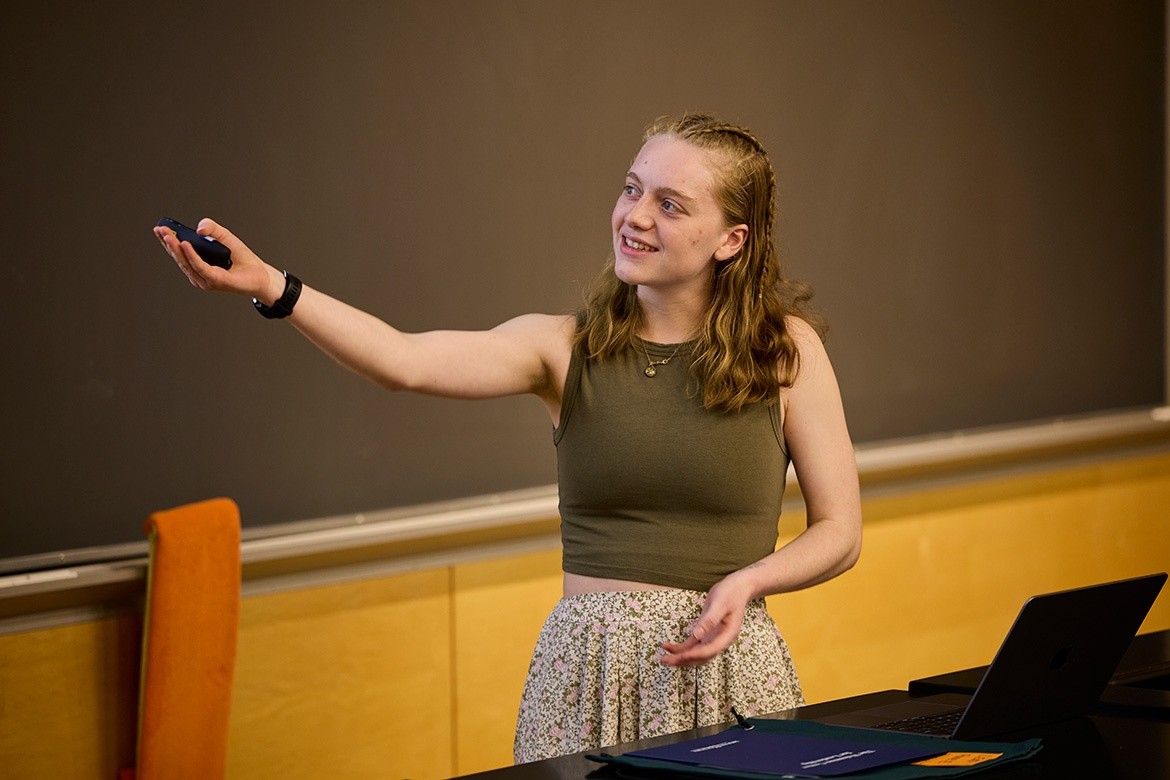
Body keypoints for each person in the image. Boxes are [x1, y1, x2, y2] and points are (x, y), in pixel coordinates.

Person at [154, 113, 862, 763]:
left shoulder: (785, 352)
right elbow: (404, 361)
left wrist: (749, 580)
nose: (635, 216)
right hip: (583, 678)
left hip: (730, 675)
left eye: (671, 205)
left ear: (732, 239)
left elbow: (840, 531)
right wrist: (273, 286)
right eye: (631, 189)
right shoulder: (562, 348)